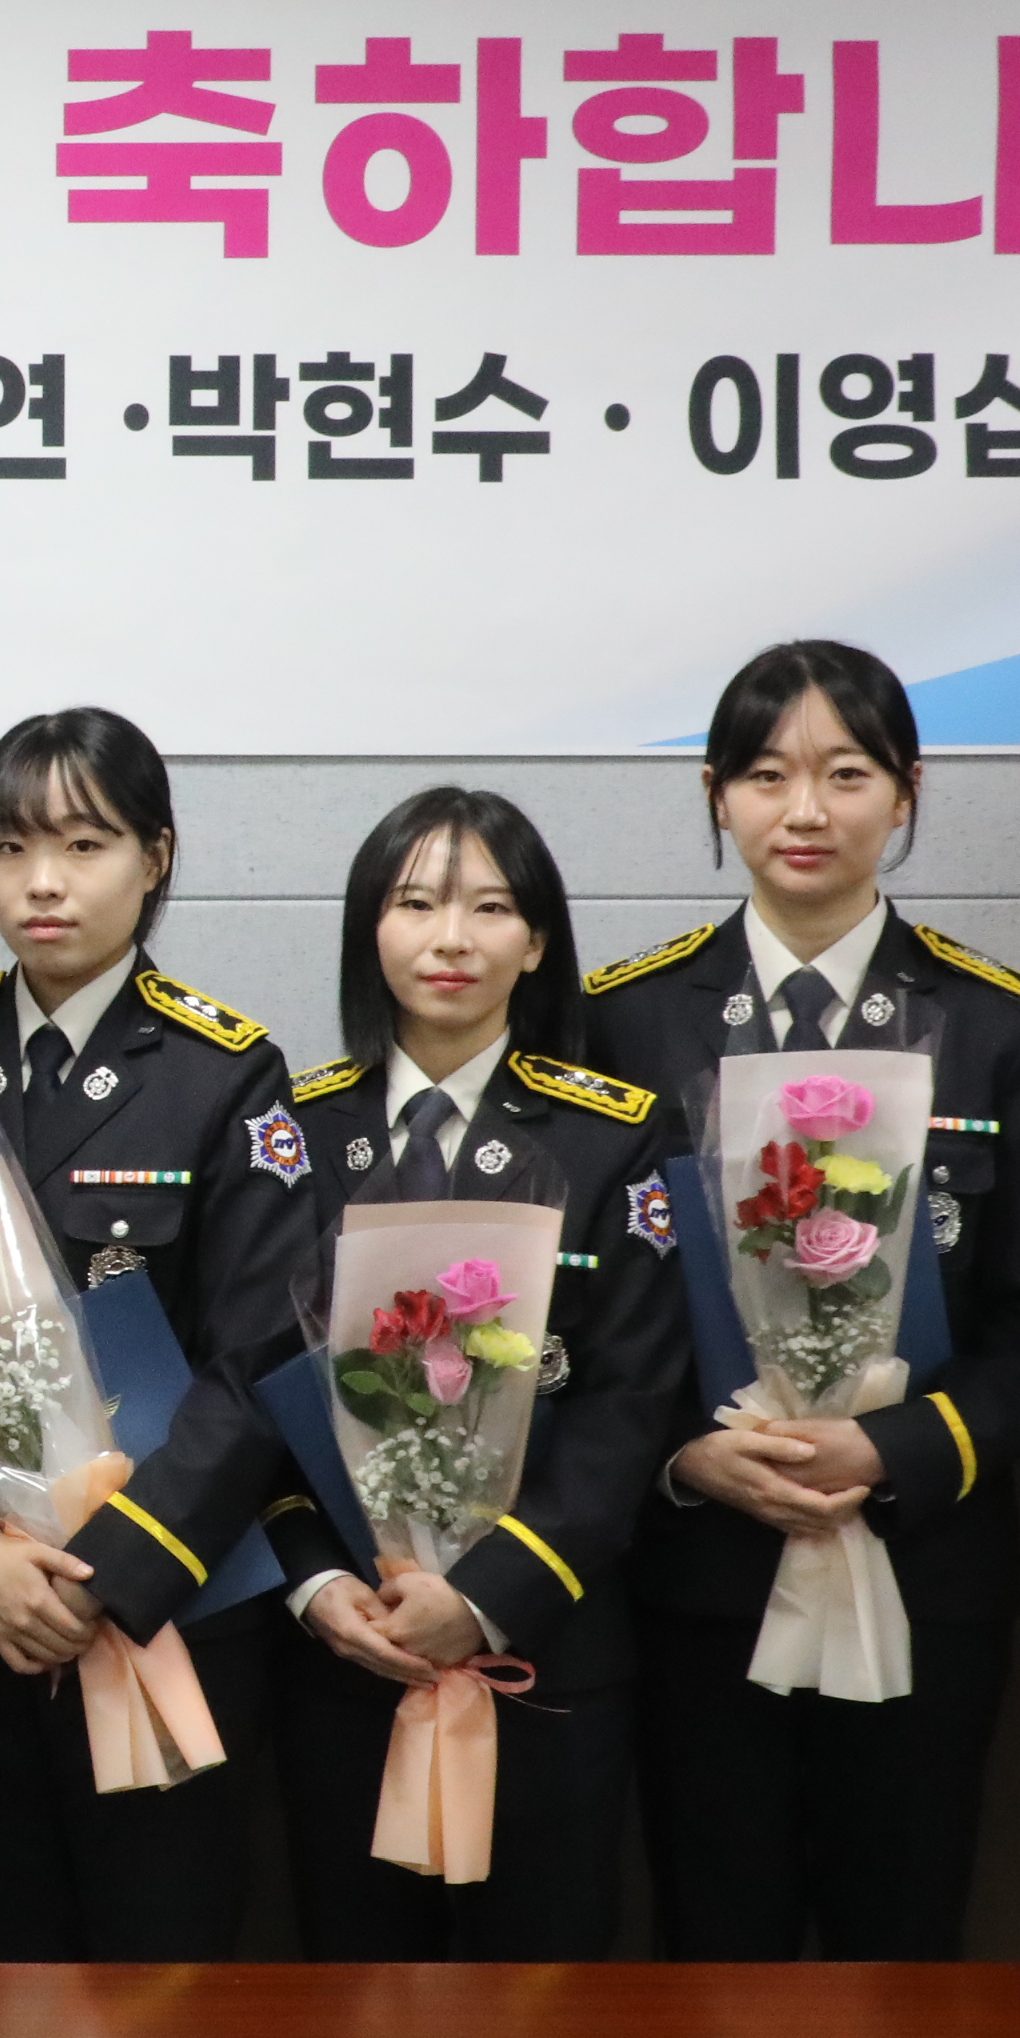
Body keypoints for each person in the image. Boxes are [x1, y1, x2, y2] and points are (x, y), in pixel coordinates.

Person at [583, 641, 1020, 1961]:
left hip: (927, 1560)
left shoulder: (998, 1025)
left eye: (847, 774)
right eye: (766, 775)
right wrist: (686, 1455)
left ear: (908, 791)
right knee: (713, 1938)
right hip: (699, 1572)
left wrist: (900, 1448)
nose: (805, 811)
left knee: (902, 1942)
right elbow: (583, 1320)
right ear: (715, 795)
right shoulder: (623, 1027)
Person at [0, 708, 316, 1961]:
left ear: (155, 857)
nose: (42, 882)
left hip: (165, 1604)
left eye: (83, 844)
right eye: (9, 848)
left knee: (160, 1975)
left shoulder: (226, 1070)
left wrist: (112, 1570)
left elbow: (258, 1364)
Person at [256, 787, 691, 1961]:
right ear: (369, 929)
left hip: (546, 1646)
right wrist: (316, 1586)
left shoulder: (614, 1135)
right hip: (345, 1649)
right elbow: (248, 1388)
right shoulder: (294, 1132)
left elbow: (632, 1404)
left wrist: (487, 1595)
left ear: (538, 941)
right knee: (355, 1995)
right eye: (415, 904)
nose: (451, 939)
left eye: (491, 908)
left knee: (542, 2002)